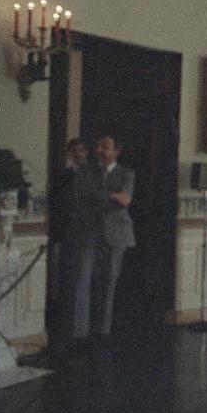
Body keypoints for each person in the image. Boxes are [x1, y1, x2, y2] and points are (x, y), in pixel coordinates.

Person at [71, 133, 135, 341]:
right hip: (89, 232)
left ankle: (102, 332)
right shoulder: (86, 171)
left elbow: (125, 200)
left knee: (108, 283)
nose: (100, 150)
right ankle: (79, 334)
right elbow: (81, 197)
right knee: (82, 280)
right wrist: (111, 195)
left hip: (116, 235)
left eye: (105, 146)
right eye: (98, 145)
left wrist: (103, 195)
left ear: (116, 151)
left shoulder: (126, 173)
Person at [45, 138, 89, 357]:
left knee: (81, 285)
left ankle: (80, 334)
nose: (78, 154)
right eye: (74, 151)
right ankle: (63, 333)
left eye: (81, 150)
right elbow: (57, 204)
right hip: (66, 235)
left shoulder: (93, 176)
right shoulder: (63, 176)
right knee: (65, 285)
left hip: (87, 238)